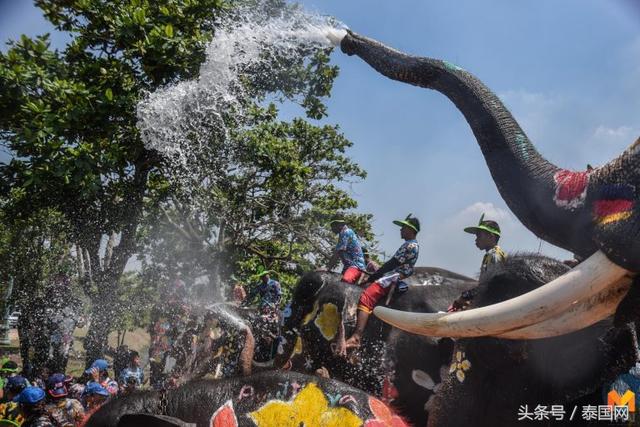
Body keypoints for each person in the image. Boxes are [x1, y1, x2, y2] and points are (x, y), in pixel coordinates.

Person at [343, 214, 420, 350]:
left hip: (392, 277)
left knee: (366, 297)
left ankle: (356, 336)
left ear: (411, 230)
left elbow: (391, 264)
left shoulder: (410, 246)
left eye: (403, 227)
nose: (400, 230)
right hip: (394, 275)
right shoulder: (411, 245)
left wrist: (373, 277)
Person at [451, 214, 507, 311]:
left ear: (491, 236)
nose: (476, 240)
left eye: (479, 236)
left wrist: (465, 296)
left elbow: (491, 285)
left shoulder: (494, 255)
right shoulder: (489, 256)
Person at [327, 219, 366, 284]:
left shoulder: (346, 232)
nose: (331, 229)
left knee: (345, 282)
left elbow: (337, 253)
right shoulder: (343, 233)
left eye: (333, 226)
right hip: (348, 267)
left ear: (339, 225)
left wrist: (327, 268)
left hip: (355, 266)